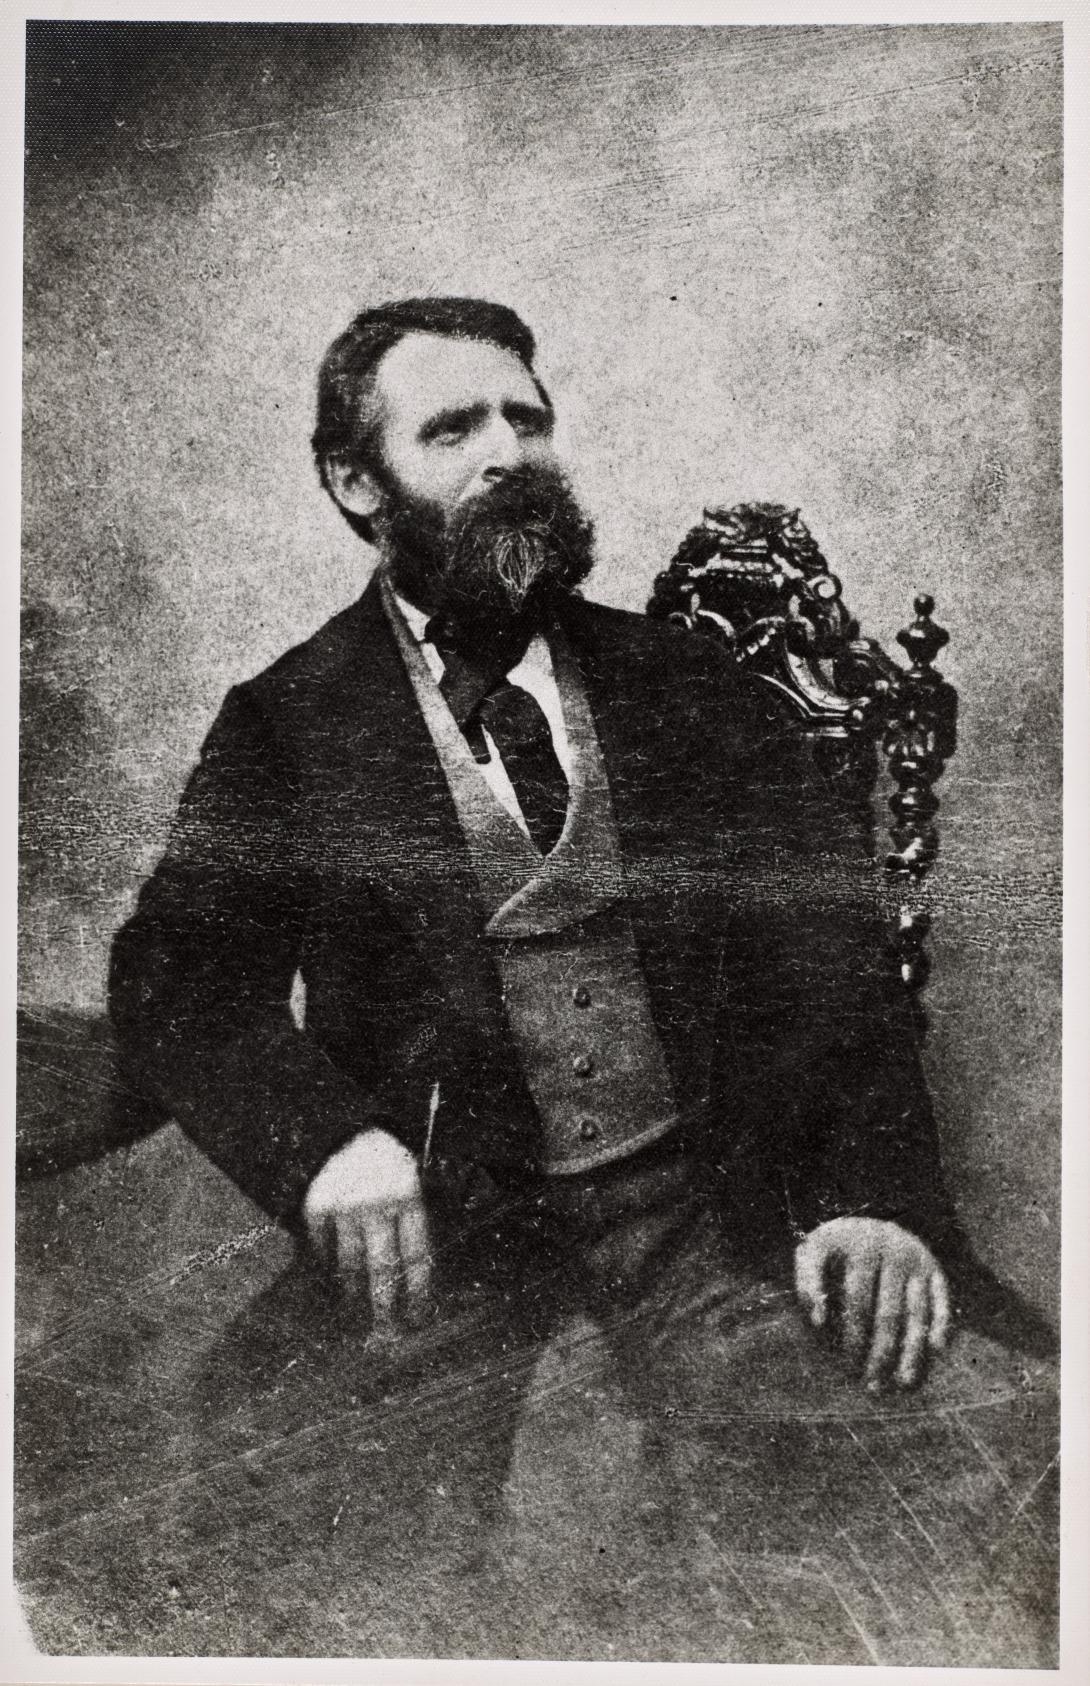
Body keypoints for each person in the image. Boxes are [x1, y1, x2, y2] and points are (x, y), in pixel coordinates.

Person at [109, 296, 958, 1421]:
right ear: (356, 485)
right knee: (244, 1513)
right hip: (451, 1245)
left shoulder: (689, 689)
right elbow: (180, 982)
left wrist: (868, 1200)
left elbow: (835, 973)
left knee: (965, 1458)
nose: (510, 453)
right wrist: (326, 1149)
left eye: (529, 419)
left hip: (719, 1223)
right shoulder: (294, 722)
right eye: (453, 430)